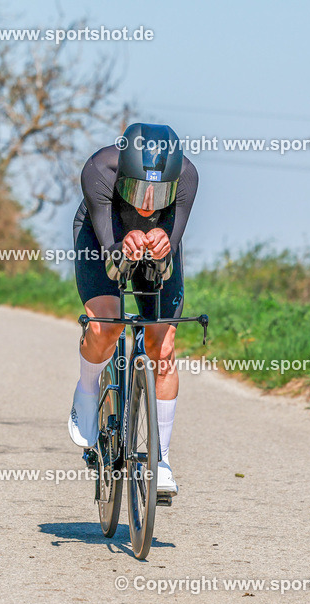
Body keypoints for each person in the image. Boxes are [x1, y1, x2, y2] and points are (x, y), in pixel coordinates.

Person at [67, 122, 199, 495]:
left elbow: (171, 246)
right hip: (102, 238)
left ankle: (161, 462)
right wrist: (125, 243)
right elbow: (111, 258)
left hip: (156, 246)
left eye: (158, 194)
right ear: (122, 173)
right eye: (137, 189)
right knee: (106, 325)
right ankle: (88, 391)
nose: (145, 203)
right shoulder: (98, 170)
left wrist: (162, 240)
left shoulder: (188, 177)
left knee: (163, 347)